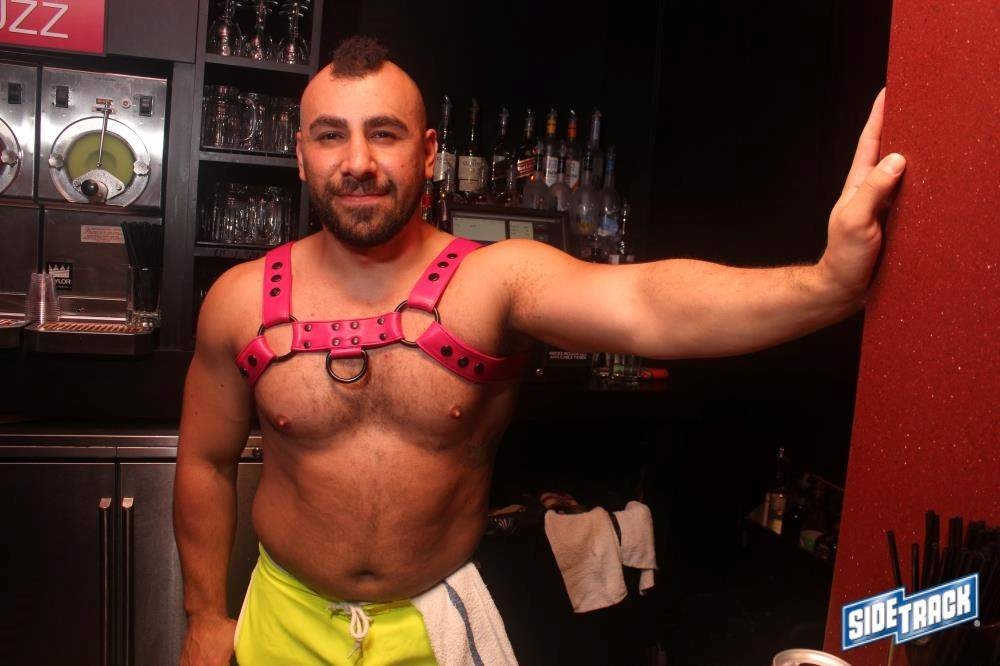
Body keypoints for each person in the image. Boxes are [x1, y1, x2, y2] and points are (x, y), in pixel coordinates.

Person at [175, 36, 905, 665]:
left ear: (428, 152)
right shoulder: (240, 301)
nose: (358, 161)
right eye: (331, 135)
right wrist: (205, 615)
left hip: (435, 625)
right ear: (301, 155)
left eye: (385, 134)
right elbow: (205, 463)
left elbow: (644, 303)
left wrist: (827, 285)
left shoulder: (493, 280)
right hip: (284, 620)